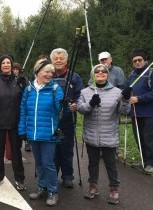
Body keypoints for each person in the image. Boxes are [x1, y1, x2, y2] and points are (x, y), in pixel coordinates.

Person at [77, 64, 131, 205]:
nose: (100, 73)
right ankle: (93, 186)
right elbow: (81, 109)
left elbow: (124, 111)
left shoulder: (117, 92)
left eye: (103, 71)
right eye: (97, 71)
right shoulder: (85, 92)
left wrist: (125, 99)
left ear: (107, 74)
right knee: (92, 164)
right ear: (92, 75)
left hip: (109, 135)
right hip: (91, 135)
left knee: (110, 164)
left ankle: (114, 189)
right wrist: (91, 104)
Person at [18, 58, 64, 206]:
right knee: (39, 163)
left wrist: (62, 104)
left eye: (51, 72)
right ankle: (41, 186)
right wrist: (22, 130)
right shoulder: (29, 89)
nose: (50, 74)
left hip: (49, 134)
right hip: (33, 133)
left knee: (48, 163)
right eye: (46, 71)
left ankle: (52, 191)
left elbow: (60, 111)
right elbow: (23, 110)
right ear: (38, 72)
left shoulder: (56, 89)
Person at [0, 55, 26, 191]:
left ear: (12, 65)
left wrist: (24, 86)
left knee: (16, 152)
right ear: (0, 66)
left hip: (15, 123)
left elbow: (23, 102)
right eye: (4, 63)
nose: (6, 65)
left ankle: (20, 179)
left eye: (8, 62)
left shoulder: (19, 81)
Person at [50, 48, 84, 188]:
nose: (58, 60)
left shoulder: (74, 77)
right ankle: (52, 176)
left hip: (68, 119)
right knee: (52, 149)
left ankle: (68, 176)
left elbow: (81, 95)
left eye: (61, 58)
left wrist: (76, 104)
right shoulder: (47, 75)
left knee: (66, 149)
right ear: (52, 60)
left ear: (66, 60)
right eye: (56, 58)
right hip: (50, 119)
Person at [126, 48, 153, 175]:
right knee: (139, 138)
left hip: (149, 112)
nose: (137, 62)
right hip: (136, 112)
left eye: (139, 60)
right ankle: (143, 160)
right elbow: (128, 90)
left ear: (144, 60)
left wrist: (139, 98)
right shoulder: (132, 75)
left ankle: (151, 163)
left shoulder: (152, 73)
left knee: (148, 137)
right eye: (134, 61)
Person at [12, 62, 31, 152]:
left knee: (25, 123)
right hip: (13, 105)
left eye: (17, 69)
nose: (15, 71)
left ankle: (27, 142)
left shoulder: (24, 79)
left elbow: (28, 91)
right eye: (14, 69)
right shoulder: (10, 79)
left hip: (23, 104)